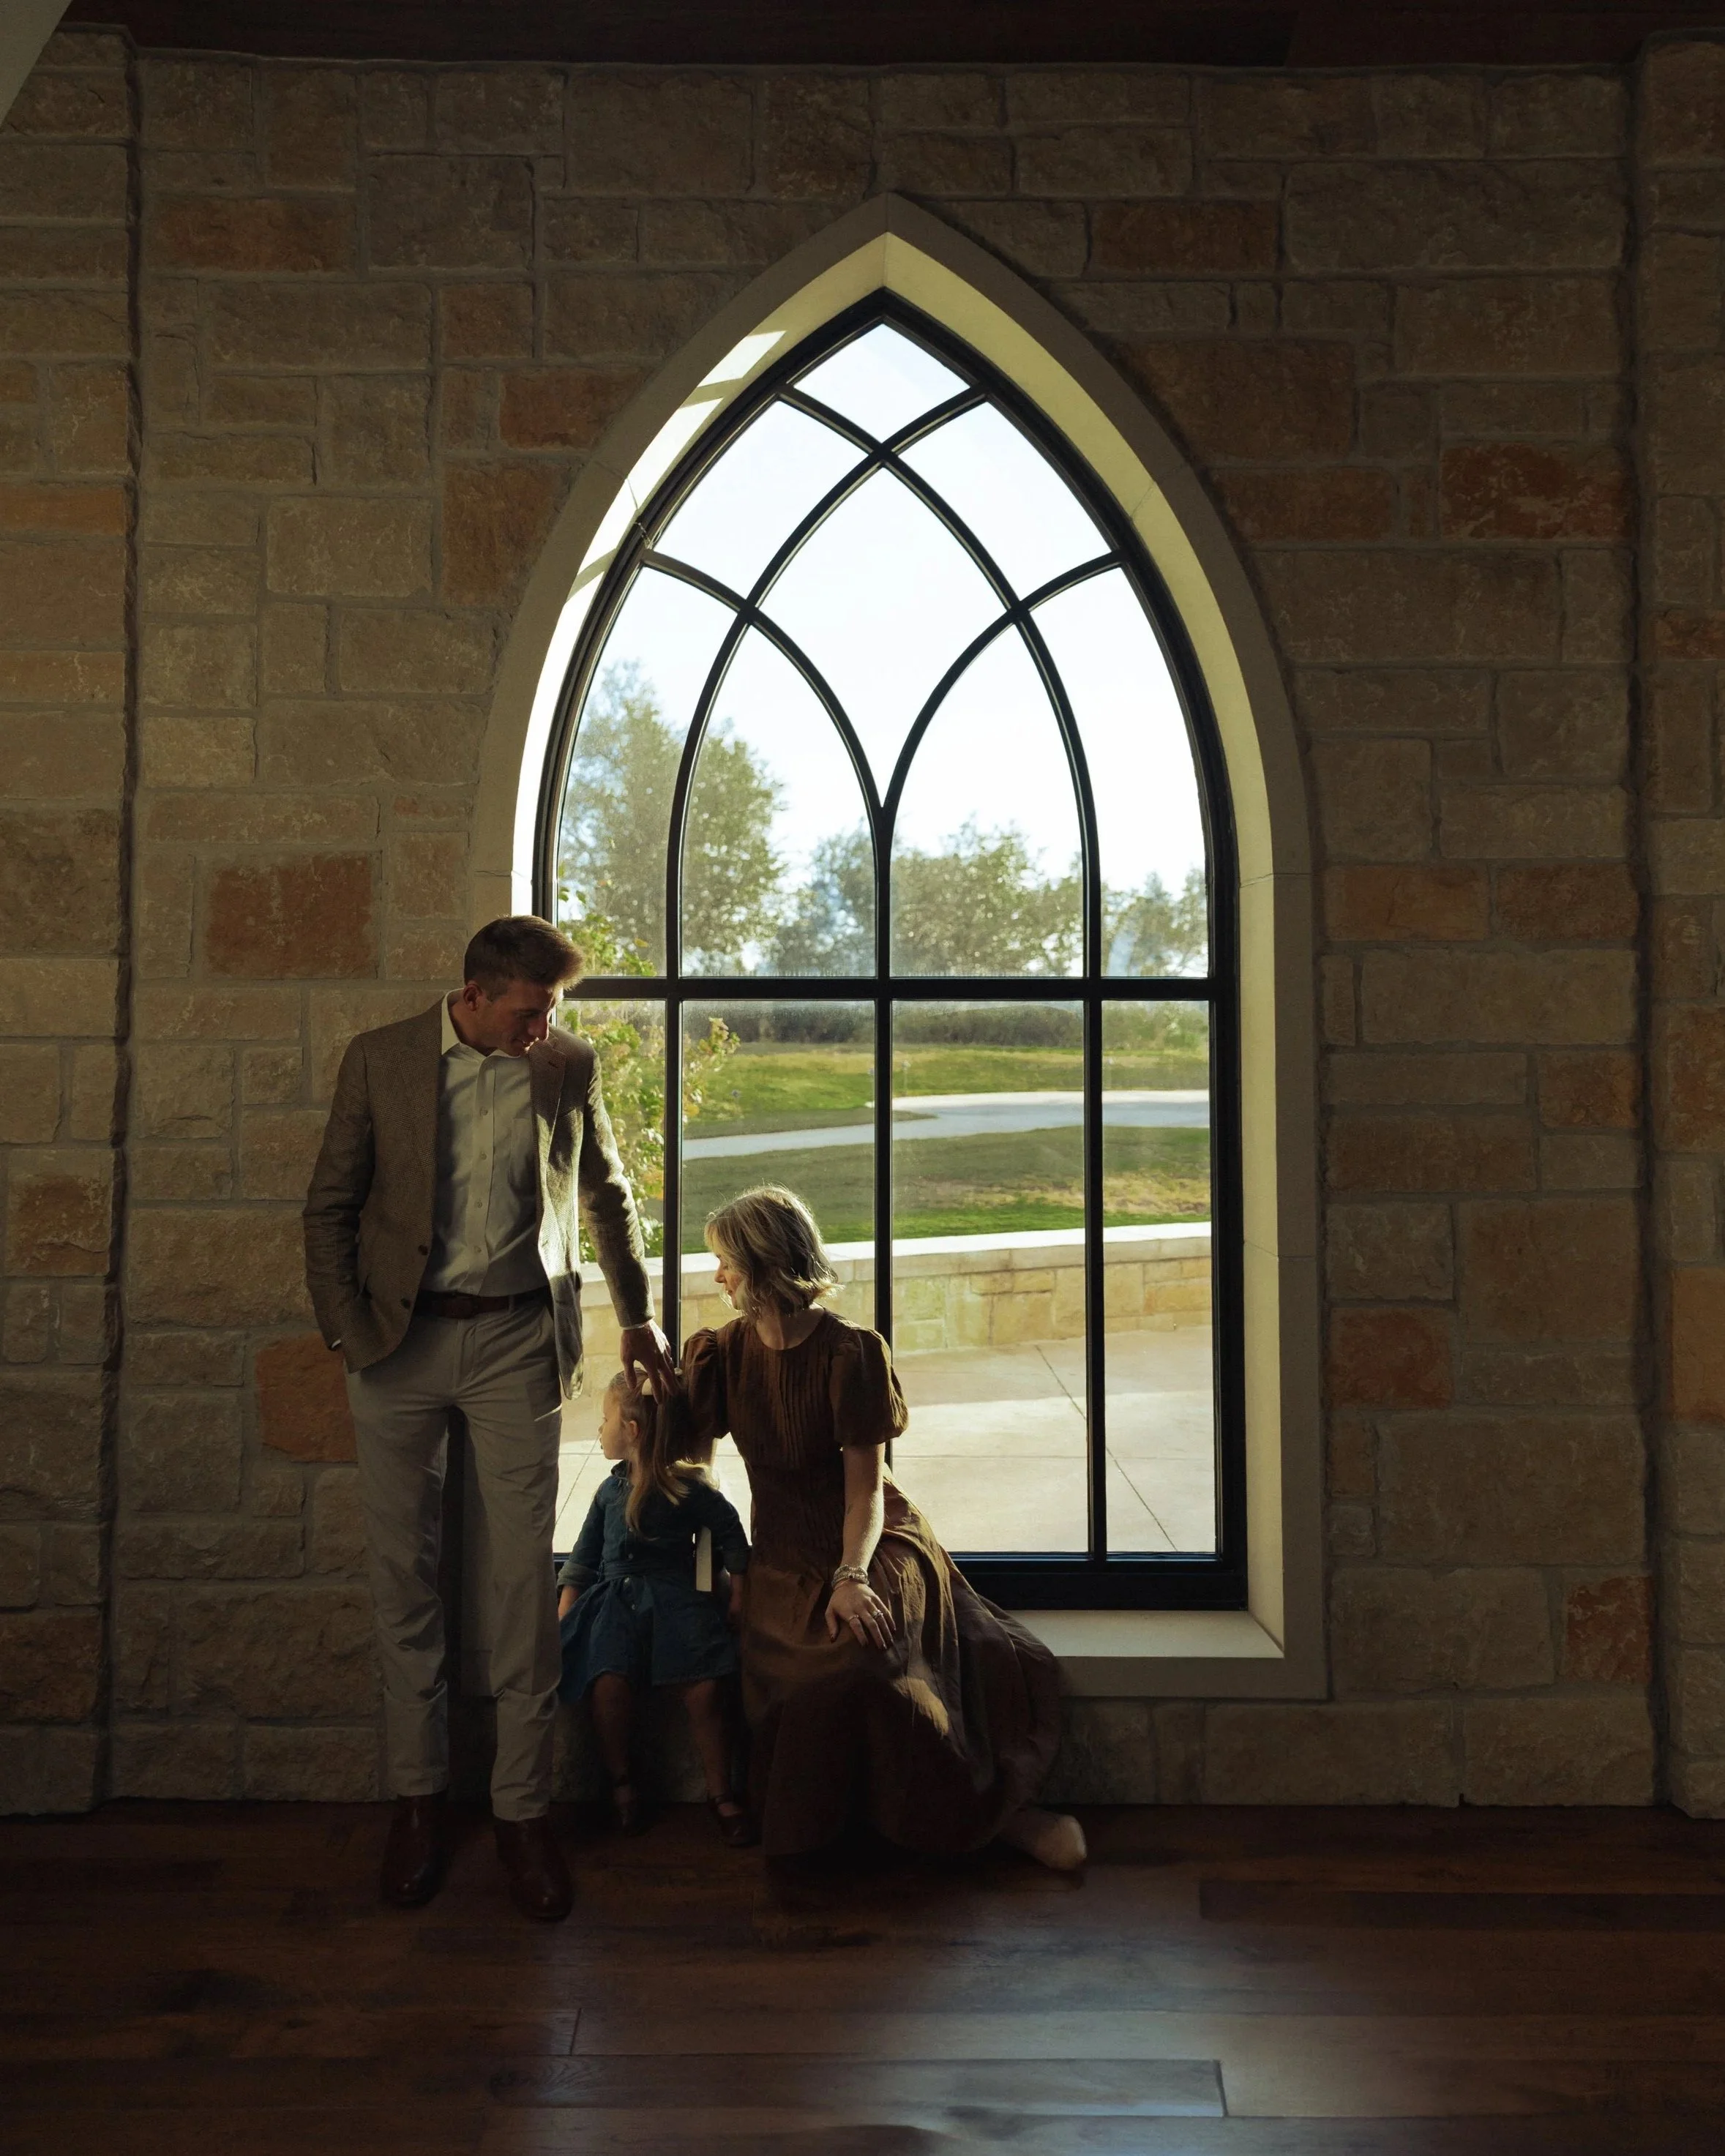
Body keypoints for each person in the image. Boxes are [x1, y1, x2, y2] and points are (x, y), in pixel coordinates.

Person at [302, 915, 674, 1922]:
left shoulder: (562, 1065)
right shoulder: (379, 1059)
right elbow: (329, 1205)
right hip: (398, 1345)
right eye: (529, 1008)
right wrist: (347, 1330)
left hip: (517, 1341)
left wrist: (637, 1318)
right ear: (474, 993)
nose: (543, 1026)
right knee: (405, 1576)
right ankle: (418, 1802)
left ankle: (522, 1812)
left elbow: (605, 1194)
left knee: (522, 1582)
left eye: (552, 1010)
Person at [679, 1184, 1085, 1872]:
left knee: (865, 1660)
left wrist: (850, 1576)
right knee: (802, 1678)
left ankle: (992, 1818)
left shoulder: (850, 1353)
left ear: (765, 1264)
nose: (715, 1274)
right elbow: (694, 1468)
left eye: (726, 1261)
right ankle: (834, 1832)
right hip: (780, 1554)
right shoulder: (723, 1352)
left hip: (865, 1541)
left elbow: (865, 1488)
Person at [556, 1371, 754, 1847]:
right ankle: (622, 1782)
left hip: (674, 1599)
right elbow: (582, 1559)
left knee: (705, 1688)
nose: (600, 1430)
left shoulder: (683, 1487)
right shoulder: (608, 1493)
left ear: (633, 1429)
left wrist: (740, 1592)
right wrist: (564, 1618)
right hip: (614, 1604)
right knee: (607, 1683)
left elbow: (729, 1531)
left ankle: (720, 1791)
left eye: (605, 1420)